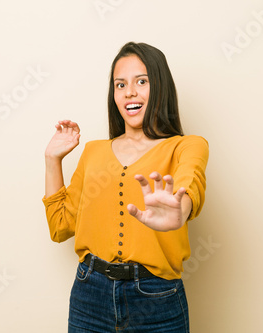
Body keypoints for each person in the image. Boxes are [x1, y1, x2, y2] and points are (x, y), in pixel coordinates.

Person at [42, 41, 209, 332]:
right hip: (88, 296)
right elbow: (60, 227)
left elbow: (190, 182)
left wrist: (179, 211)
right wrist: (52, 160)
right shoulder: (93, 151)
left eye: (141, 81)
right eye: (120, 85)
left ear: (160, 87)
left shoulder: (186, 146)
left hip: (157, 298)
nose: (129, 91)